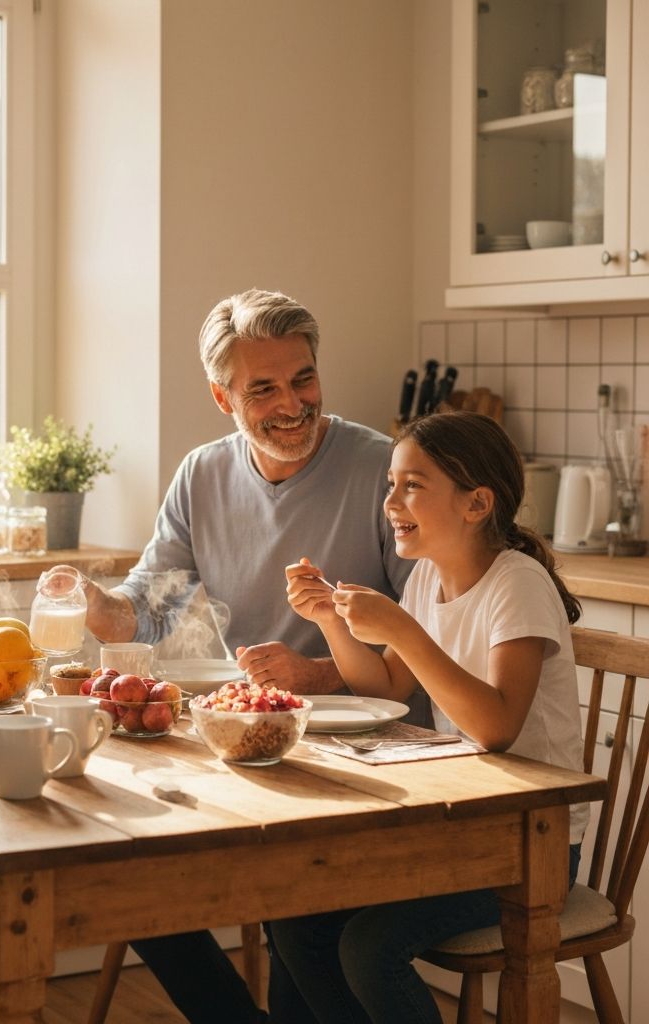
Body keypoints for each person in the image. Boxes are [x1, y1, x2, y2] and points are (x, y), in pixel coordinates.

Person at [56, 288, 418, 1024]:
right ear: (222, 396)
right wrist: (89, 603)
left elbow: (431, 629)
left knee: (297, 920)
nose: (292, 404)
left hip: (379, 750)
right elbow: (149, 609)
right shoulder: (202, 474)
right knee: (136, 884)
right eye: (264, 389)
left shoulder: (381, 470)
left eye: (303, 379)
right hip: (253, 745)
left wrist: (317, 675)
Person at [272, 411, 588, 1024]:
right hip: (465, 824)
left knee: (369, 949)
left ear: (476, 504)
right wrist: (332, 623)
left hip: (531, 842)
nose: (392, 501)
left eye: (412, 485)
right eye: (391, 484)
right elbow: (385, 685)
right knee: (296, 919)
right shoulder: (427, 578)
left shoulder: (515, 585)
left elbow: (497, 727)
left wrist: (404, 629)